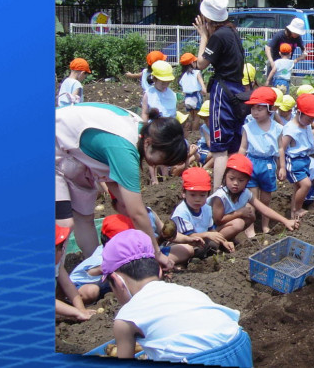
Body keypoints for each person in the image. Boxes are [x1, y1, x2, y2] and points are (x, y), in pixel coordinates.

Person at [56, 102, 187, 269]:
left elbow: (126, 202)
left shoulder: (139, 129)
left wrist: (156, 228)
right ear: (148, 143)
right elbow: (136, 213)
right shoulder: (125, 149)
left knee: (84, 218)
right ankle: (56, 278)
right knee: (65, 224)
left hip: (72, 152)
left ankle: (99, 268)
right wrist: (156, 253)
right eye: (164, 159)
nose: (163, 165)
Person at [102, 229, 253, 366]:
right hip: (239, 344)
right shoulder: (186, 291)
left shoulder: (125, 318)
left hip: (195, 360)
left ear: (117, 281)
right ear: (159, 271)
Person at [193, 0, 245, 190]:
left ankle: (217, 192)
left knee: (219, 146)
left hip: (223, 92)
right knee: (233, 144)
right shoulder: (232, 31)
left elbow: (200, 64)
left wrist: (203, 36)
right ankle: (233, 189)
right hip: (237, 91)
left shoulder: (219, 36)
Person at [209, 154, 298, 240]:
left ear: (247, 181)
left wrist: (285, 221)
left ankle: (228, 237)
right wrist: (239, 213)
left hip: (224, 225)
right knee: (238, 223)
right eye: (231, 179)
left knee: (251, 216)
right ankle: (216, 243)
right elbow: (218, 221)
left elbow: (264, 209)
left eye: (241, 180)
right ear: (225, 177)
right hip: (211, 231)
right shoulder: (220, 196)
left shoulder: (245, 193)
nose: (235, 183)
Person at [238, 87, 284, 235]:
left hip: (268, 164)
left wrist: (281, 167)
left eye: (260, 108)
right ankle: (250, 228)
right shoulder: (248, 127)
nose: (255, 112)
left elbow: (281, 149)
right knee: (250, 197)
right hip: (251, 163)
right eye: (253, 108)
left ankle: (265, 225)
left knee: (265, 199)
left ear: (270, 109)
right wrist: (239, 163)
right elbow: (243, 147)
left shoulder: (277, 128)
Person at [169, 167, 233, 266]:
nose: (198, 199)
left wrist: (224, 242)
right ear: (184, 193)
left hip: (200, 242)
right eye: (193, 195)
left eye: (202, 195)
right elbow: (188, 237)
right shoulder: (181, 212)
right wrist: (207, 234)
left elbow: (212, 230)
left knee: (214, 243)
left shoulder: (206, 208)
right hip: (183, 243)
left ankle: (201, 259)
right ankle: (185, 262)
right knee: (192, 248)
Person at [69, 214, 135, 305]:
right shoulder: (102, 257)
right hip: (77, 286)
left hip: (104, 284)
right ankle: (69, 302)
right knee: (91, 291)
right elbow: (93, 271)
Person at [278, 93, 314, 219]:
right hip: (293, 160)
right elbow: (281, 147)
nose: (311, 122)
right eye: (309, 119)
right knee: (306, 184)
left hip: (304, 159)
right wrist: (281, 167)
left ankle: (294, 215)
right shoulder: (290, 129)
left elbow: (304, 135)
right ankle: (297, 209)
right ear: (299, 113)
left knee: (298, 187)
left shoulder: (305, 124)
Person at [55, 224, 96, 321]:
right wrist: (76, 312)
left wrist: (81, 309)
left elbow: (68, 285)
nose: (63, 251)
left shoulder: (57, 265)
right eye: (61, 248)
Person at [178, 53, 207, 137]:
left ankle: (189, 129)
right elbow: (201, 82)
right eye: (194, 61)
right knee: (197, 115)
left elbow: (181, 84)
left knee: (192, 115)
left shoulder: (183, 75)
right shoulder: (196, 72)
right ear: (191, 63)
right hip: (196, 95)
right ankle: (195, 131)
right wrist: (204, 88)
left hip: (187, 97)